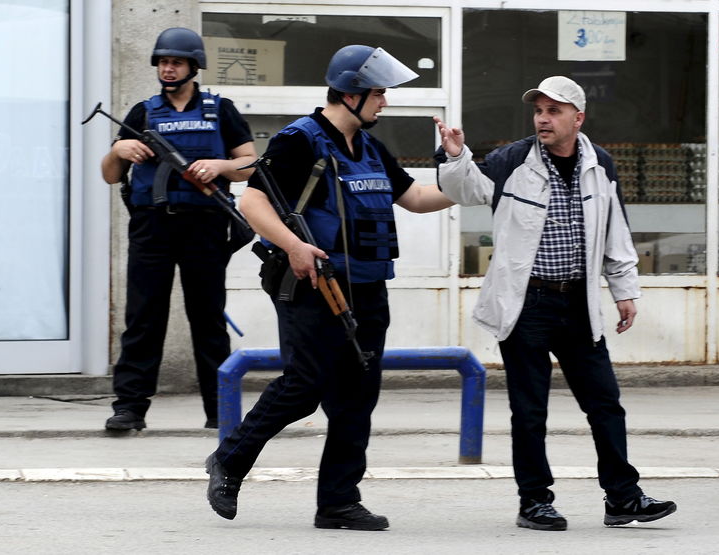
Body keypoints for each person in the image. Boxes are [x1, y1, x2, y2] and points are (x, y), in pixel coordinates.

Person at [204, 44, 454, 531]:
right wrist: (295, 247)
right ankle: (229, 461)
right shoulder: (300, 140)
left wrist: (475, 179)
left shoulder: (371, 146)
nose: (385, 103)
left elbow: (419, 198)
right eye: (379, 94)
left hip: (367, 289)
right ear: (349, 93)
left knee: (357, 396)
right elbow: (254, 204)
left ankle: (338, 501)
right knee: (303, 387)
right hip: (313, 284)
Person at [434, 76, 677, 531]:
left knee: (605, 402)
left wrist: (625, 290)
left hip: (578, 301)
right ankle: (534, 502)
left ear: (577, 118)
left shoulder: (599, 163)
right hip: (527, 303)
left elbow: (615, 232)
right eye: (539, 111)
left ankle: (623, 497)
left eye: (554, 111)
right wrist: (454, 156)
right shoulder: (511, 160)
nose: (543, 119)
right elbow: (465, 191)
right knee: (530, 409)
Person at [100, 27, 257, 431]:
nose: (168, 68)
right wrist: (118, 150)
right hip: (152, 225)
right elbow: (110, 175)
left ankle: (220, 410)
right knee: (143, 317)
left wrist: (221, 167)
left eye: (176, 62)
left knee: (207, 318)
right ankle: (130, 408)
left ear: (193, 66)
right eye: (163, 62)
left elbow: (251, 164)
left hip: (204, 223)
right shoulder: (143, 112)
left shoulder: (220, 110)